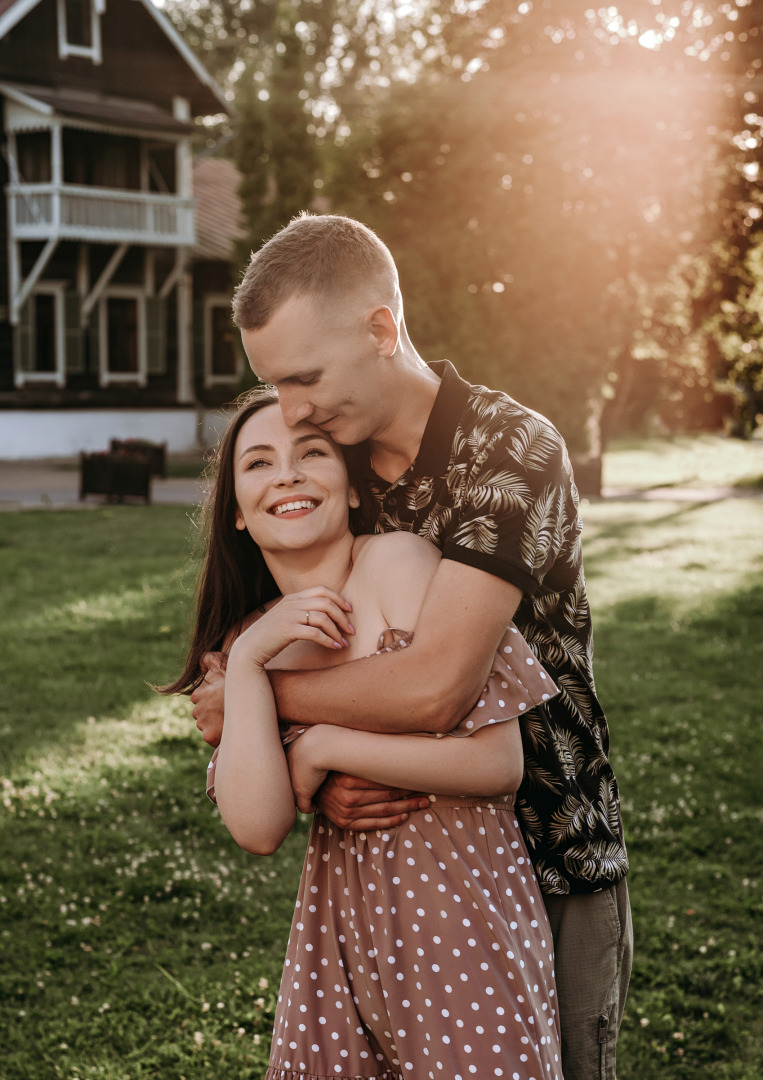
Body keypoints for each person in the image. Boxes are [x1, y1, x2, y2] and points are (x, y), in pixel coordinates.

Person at [193, 213, 632, 1080]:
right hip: (386, 874)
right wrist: (287, 739)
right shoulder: (336, 466)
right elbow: (311, 636)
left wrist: (265, 702)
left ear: (381, 329)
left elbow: (436, 687)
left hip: (549, 850)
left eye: (304, 378)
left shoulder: (505, 451)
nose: (292, 411)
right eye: (273, 386)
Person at [168, 388, 564, 1080]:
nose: (286, 475)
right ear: (234, 510)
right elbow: (258, 828)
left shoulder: (397, 564)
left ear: (352, 490)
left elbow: (498, 764)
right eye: (258, 464)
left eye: (310, 454)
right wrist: (255, 656)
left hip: (459, 919)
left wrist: (320, 748)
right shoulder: (247, 645)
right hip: (340, 938)